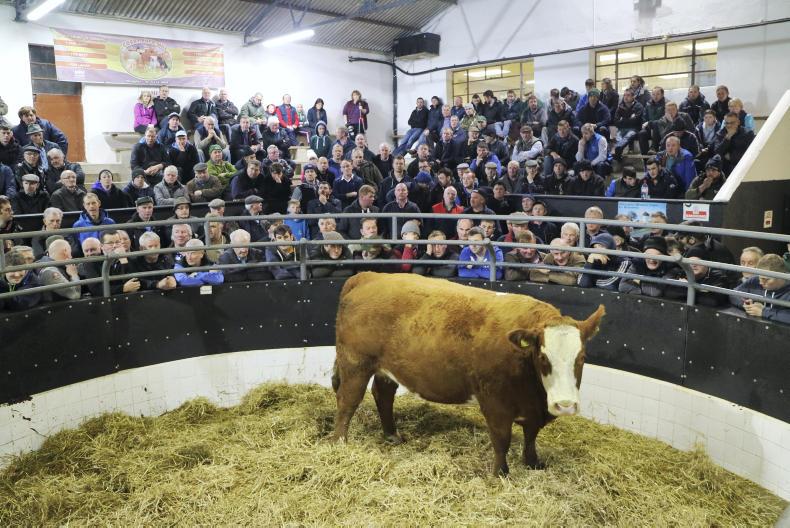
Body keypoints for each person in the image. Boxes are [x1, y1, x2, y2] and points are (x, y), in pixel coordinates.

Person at [730, 254, 790, 324]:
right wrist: (746, 304)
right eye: (760, 277)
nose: (761, 282)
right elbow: (733, 294)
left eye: (766, 279)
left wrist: (763, 312)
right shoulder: (755, 280)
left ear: (780, 277)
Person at [612, 88, 645, 161]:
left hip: (634, 128)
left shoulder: (639, 106)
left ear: (633, 97)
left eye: (628, 95)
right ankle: (617, 154)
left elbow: (636, 121)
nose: (625, 97)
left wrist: (623, 119)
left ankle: (617, 148)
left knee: (628, 136)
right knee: (618, 137)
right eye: (624, 95)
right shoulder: (620, 106)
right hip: (621, 129)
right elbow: (616, 122)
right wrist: (630, 119)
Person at [637, 87, 667, 154]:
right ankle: (645, 158)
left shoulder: (666, 104)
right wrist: (646, 125)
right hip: (649, 127)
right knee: (642, 133)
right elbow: (644, 117)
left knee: (657, 124)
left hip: (662, 129)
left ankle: (654, 148)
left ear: (662, 95)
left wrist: (650, 123)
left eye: (658, 94)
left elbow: (664, 120)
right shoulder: (648, 104)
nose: (655, 96)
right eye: (653, 94)